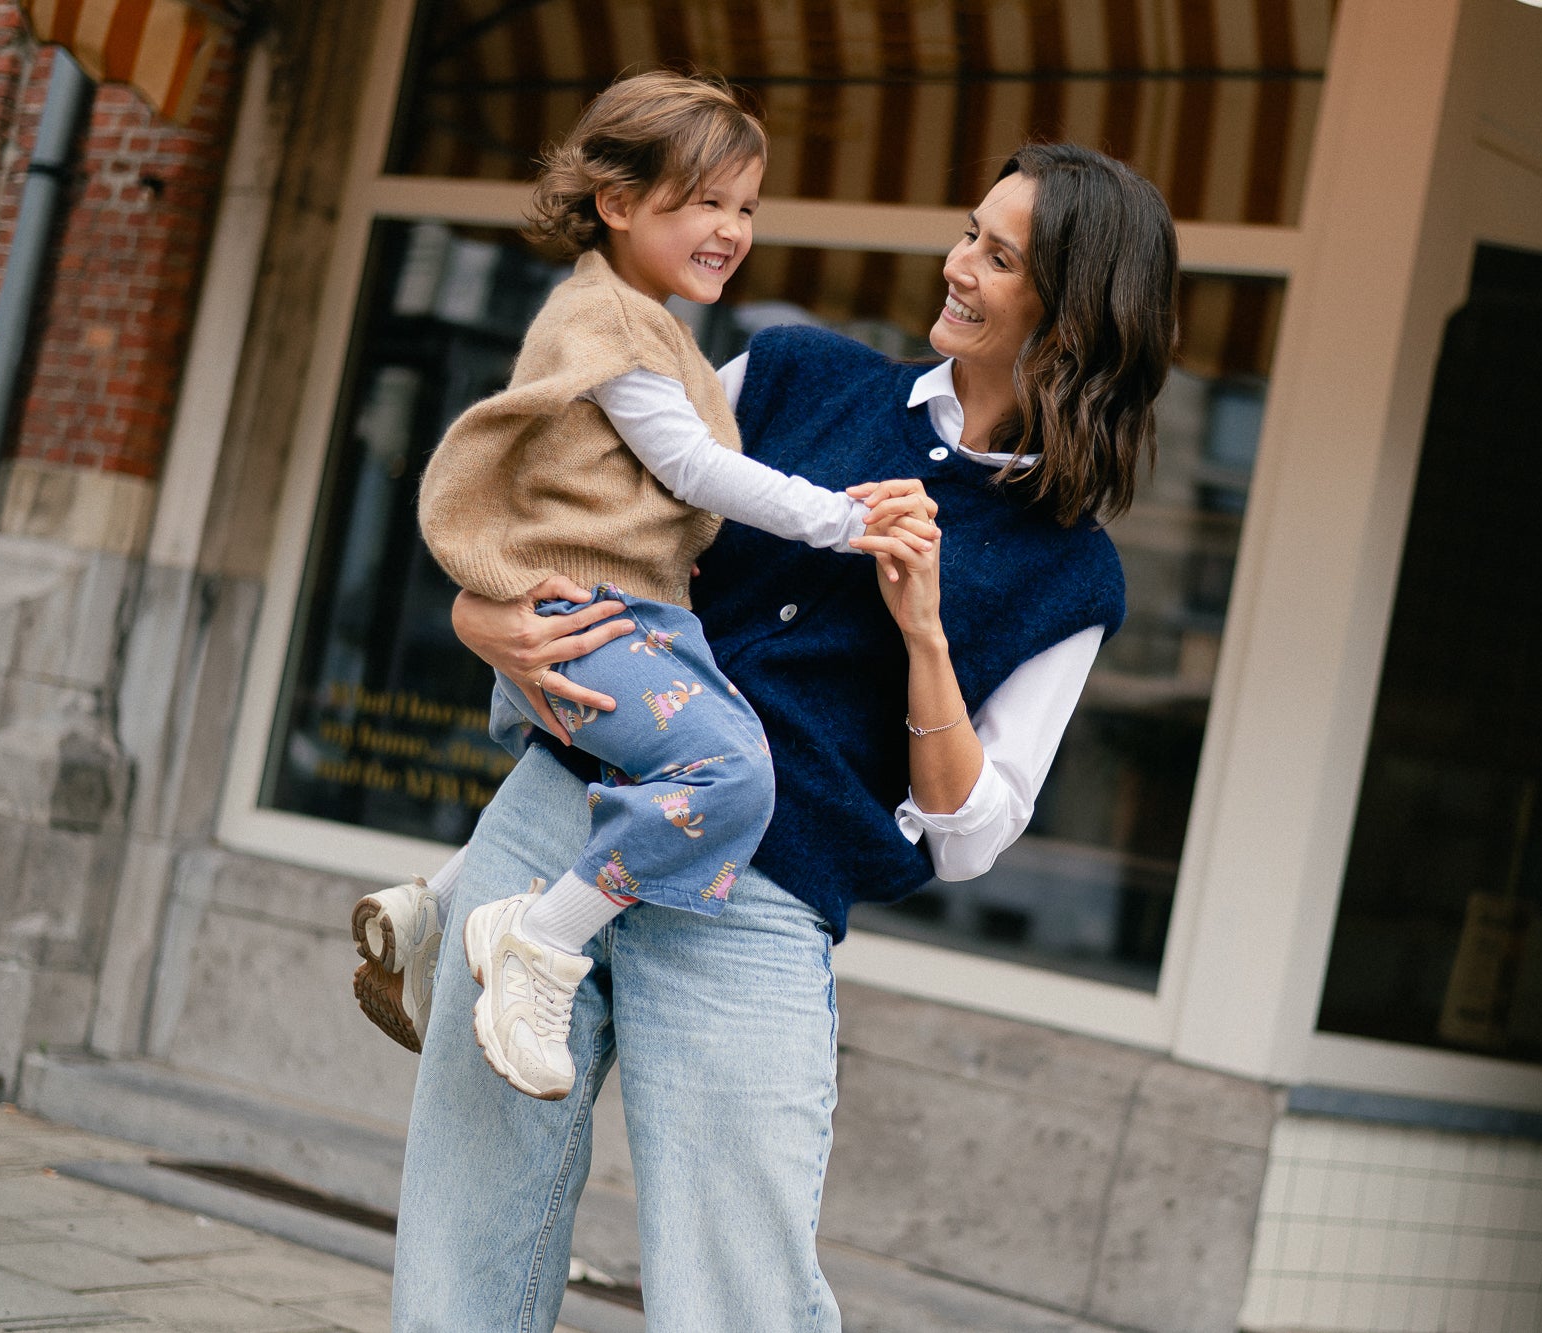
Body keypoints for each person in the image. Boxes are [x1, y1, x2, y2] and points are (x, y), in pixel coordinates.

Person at [382, 141, 1179, 1331]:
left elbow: (968, 834)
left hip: (756, 904)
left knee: (738, 1293)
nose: (956, 265)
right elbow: (584, 497)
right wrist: (480, 608)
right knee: (465, 1238)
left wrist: (925, 634)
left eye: (998, 256)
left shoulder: (1070, 571)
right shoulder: (798, 375)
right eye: (968, 230)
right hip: (560, 812)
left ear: (1069, 318)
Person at [348, 70, 929, 1099]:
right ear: (616, 204)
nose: (729, 228)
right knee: (731, 779)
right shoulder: (612, 329)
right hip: (596, 618)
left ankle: (434, 905)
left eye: (744, 206)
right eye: (703, 201)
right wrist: (844, 520)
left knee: (613, 773)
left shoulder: (635, 319)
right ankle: (536, 942)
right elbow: (699, 470)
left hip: (607, 614)